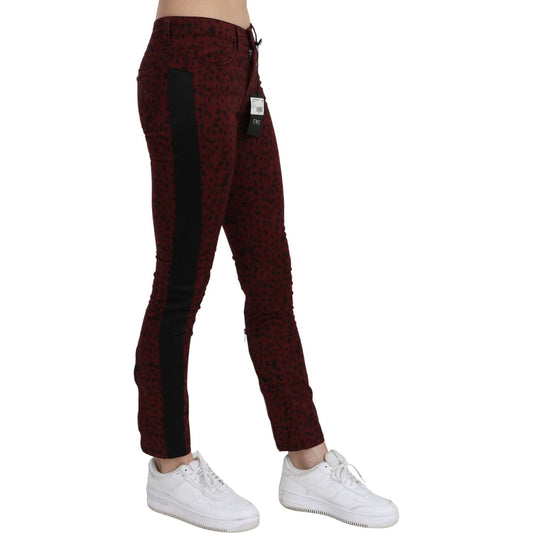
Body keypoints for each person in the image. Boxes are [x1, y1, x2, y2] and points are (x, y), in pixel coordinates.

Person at [133, 0, 399, 530]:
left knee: (271, 280)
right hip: (188, 58)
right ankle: (170, 464)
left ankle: (307, 461)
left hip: (243, 63)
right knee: (182, 280)